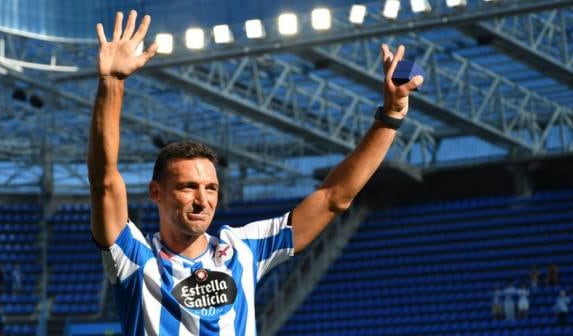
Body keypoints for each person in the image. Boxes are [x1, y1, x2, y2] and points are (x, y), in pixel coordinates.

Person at [87, 9, 423, 336]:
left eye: (211, 188)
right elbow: (104, 182)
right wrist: (112, 84)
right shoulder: (134, 257)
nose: (202, 200)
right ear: (156, 192)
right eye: (188, 187)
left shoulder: (242, 250)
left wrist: (390, 116)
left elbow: (333, 199)